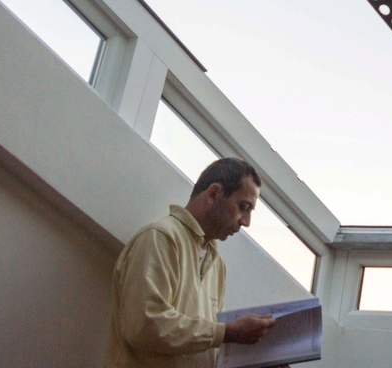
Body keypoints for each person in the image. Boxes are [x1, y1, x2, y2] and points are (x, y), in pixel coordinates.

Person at [105, 157, 281, 367]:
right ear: (213, 194)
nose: (247, 222)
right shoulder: (160, 237)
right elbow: (144, 327)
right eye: (243, 207)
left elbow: (203, 348)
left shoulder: (217, 265)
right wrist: (227, 332)